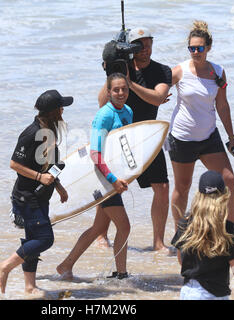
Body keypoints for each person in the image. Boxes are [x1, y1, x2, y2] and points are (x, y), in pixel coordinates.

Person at [97, 27, 173, 252]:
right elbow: (102, 103)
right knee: (112, 188)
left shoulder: (162, 71)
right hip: (120, 136)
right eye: (139, 44)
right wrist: (112, 73)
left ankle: (158, 242)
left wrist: (131, 85)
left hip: (148, 135)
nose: (145, 49)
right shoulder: (122, 69)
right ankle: (101, 235)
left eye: (149, 43)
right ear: (132, 47)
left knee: (162, 186)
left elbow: (158, 98)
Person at [0, 89, 72, 295]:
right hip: (27, 197)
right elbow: (14, 164)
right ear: (52, 111)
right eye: (60, 107)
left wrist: (59, 186)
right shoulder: (31, 133)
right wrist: (39, 178)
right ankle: (4, 267)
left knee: (32, 241)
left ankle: (30, 287)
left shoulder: (50, 132)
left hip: (40, 196)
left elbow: (48, 166)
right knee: (45, 239)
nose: (63, 110)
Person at [57, 73, 132, 280]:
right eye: (115, 89)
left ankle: (65, 265)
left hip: (115, 178)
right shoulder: (104, 115)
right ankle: (121, 274)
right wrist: (113, 180)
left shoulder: (128, 112)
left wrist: (126, 175)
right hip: (103, 177)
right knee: (124, 227)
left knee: (98, 227)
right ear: (108, 92)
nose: (120, 93)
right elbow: (95, 153)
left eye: (123, 89)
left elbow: (124, 148)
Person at [169, 21, 234, 226]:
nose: (195, 52)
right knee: (182, 187)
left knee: (228, 180)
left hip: (209, 137)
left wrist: (232, 138)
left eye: (199, 48)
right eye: (191, 48)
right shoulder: (179, 71)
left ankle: (230, 232)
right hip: (182, 139)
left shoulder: (218, 72)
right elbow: (159, 91)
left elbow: (223, 105)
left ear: (208, 47)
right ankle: (179, 234)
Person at [171, 170, 234, 300]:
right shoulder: (228, 229)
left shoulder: (185, 224)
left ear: (199, 196)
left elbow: (181, 261)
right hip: (214, 294)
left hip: (188, 291)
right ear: (223, 197)